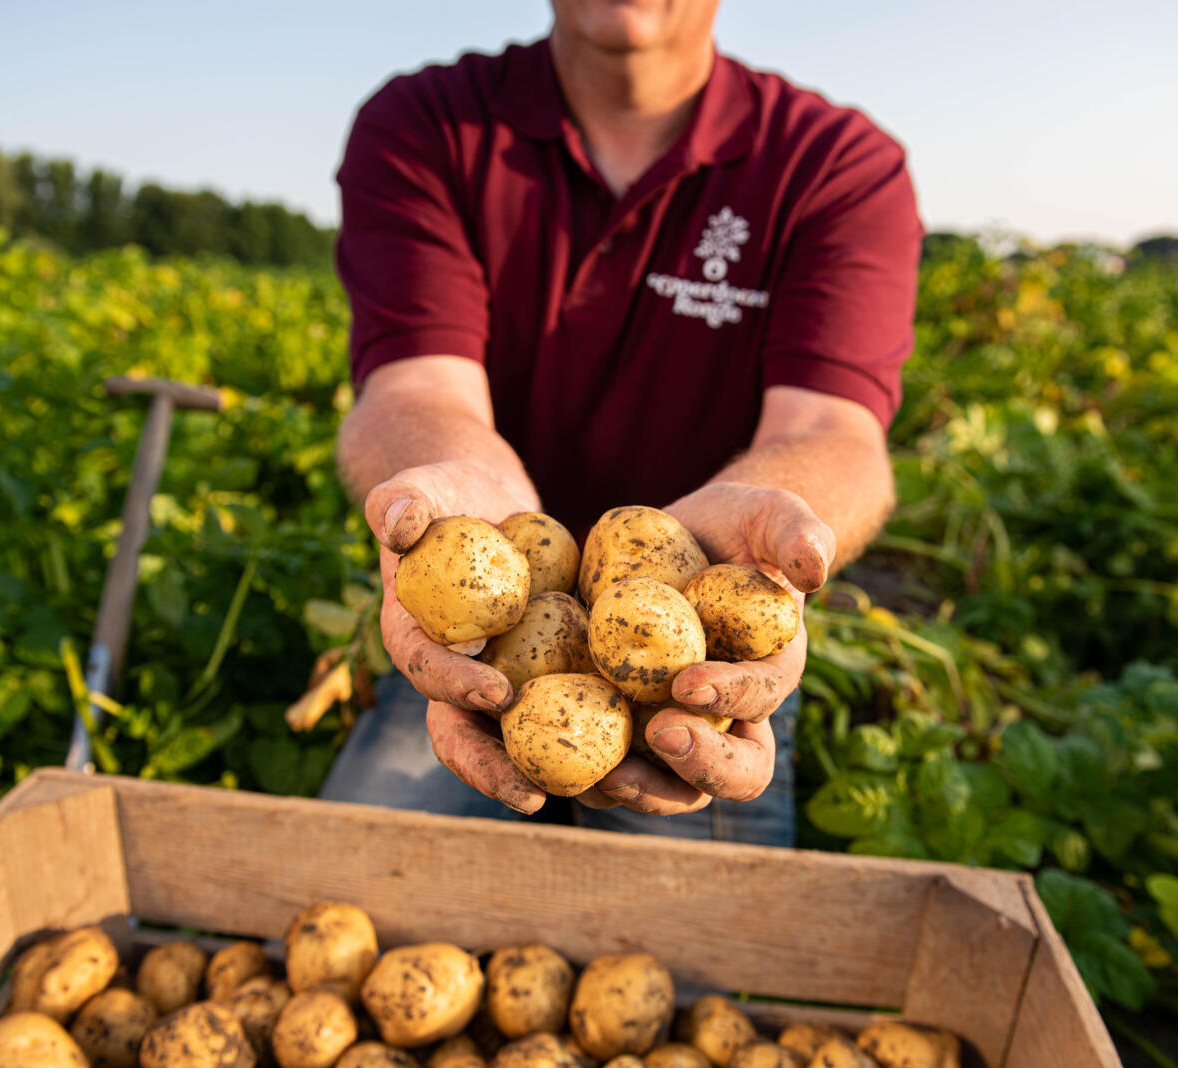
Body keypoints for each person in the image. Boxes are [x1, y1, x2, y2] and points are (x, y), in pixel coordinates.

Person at [319, 0, 922, 845]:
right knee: (353, 882)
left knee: (690, 958)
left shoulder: (835, 164)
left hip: (700, 656)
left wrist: (763, 554)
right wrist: (454, 510)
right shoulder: (428, 124)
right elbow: (414, 386)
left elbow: (832, 426)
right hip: (475, 640)